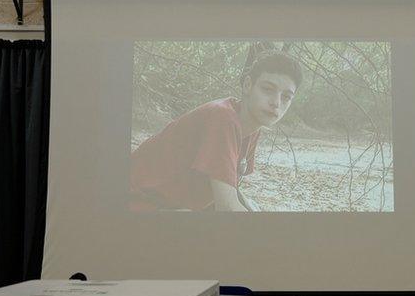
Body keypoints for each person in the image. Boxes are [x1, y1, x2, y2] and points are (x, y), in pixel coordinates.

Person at [130, 49, 303, 212]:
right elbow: (227, 208)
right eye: (267, 89)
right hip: (133, 203)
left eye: (286, 97)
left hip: (168, 206)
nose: (276, 102)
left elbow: (229, 190)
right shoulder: (223, 118)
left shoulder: (250, 127)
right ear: (248, 85)